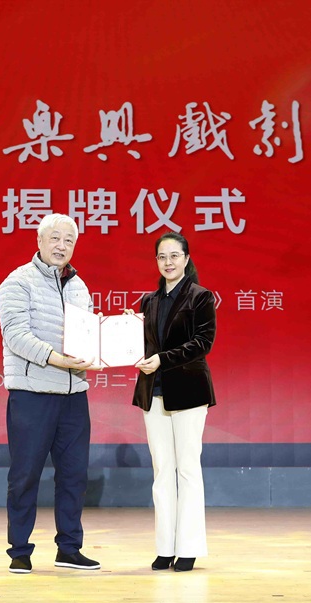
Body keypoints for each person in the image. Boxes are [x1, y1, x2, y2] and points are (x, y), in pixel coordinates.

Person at [0, 213, 101, 575]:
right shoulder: (17, 281)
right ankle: (19, 550)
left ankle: (69, 549)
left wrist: (104, 346)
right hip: (33, 394)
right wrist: (59, 360)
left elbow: (86, 336)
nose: (61, 245)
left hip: (74, 396)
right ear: (39, 241)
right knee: (25, 475)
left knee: (74, 475)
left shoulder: (79, 286)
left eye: (69, 240)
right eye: (55, 238)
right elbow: (16, 336)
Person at [127, 231, 216, 573]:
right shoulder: (148, 301)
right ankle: (165, 547)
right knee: (162, 470)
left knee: (187, 469)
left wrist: (163, 359)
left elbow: (203, 342)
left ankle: (189, 547)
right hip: (154, 393)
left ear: (186, 259)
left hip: (189, 392)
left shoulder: (200, 297)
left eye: (174, 255)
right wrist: (124, 334)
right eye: (162, 257)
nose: (168, 262)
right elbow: (140, 345)